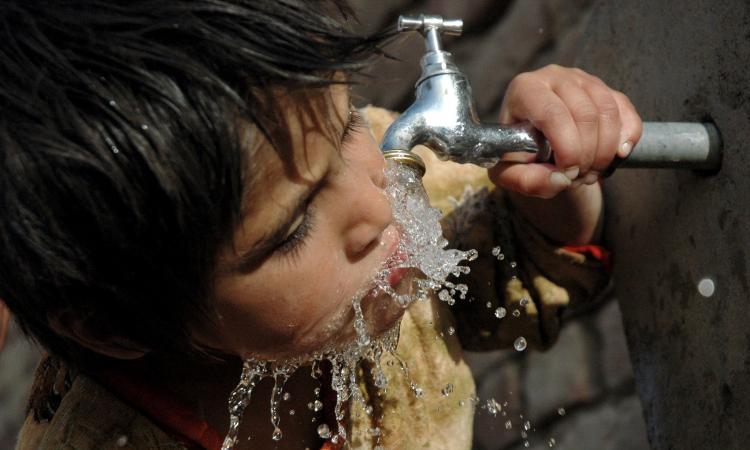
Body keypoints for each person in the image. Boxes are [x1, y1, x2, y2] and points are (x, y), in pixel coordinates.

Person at [0, 1, 641, 449]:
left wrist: (550, 183)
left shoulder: (391, 174)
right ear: (118, 325)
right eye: (292, 230)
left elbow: (524, 270)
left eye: (346, 125)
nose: (376, 207)